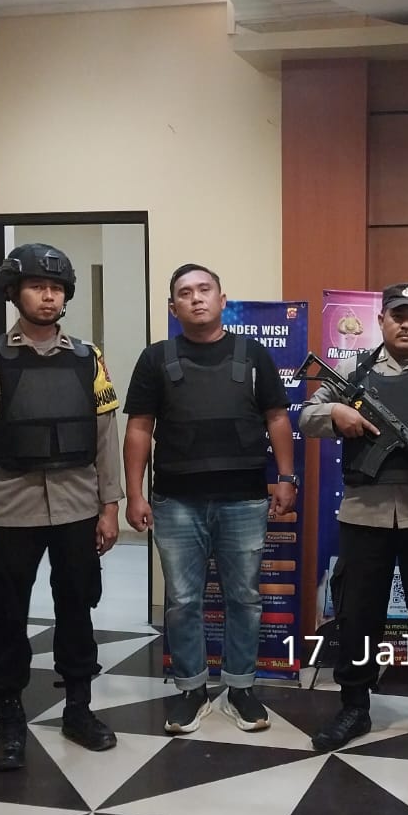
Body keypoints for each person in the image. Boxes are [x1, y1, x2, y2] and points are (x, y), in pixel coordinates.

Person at [0, 243, 123, 772]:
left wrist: (109, 505)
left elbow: (105, 433)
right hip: (8, 508)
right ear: (15, 293)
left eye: (56, 288)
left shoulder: (88, 357)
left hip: (77, 504)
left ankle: (79, 708)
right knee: (5, 615)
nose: (48, 296)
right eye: (37, 286)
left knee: (77, 606)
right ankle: (9, 719)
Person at [123, 263, 297, 734]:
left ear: (222, 300)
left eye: (205, 290)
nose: (196, 298)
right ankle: (191, 690)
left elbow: (277, 417)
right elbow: (139, 428)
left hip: (244, 499)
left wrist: (286, 477)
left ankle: (240, 688)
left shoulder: (252, 354)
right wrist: (134, 493)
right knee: (182, 601)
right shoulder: (156, 358)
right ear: (172, 306)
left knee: (244, 598)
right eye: (185, 292)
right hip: (176, 502)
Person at [299, 283, 408, 754]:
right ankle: (354, 706)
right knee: (357, 615)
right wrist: (336, 412)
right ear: (382, 320)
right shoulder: (354, 371)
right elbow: (306, 416)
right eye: (397, 315)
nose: (406, 324)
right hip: (363, 514)